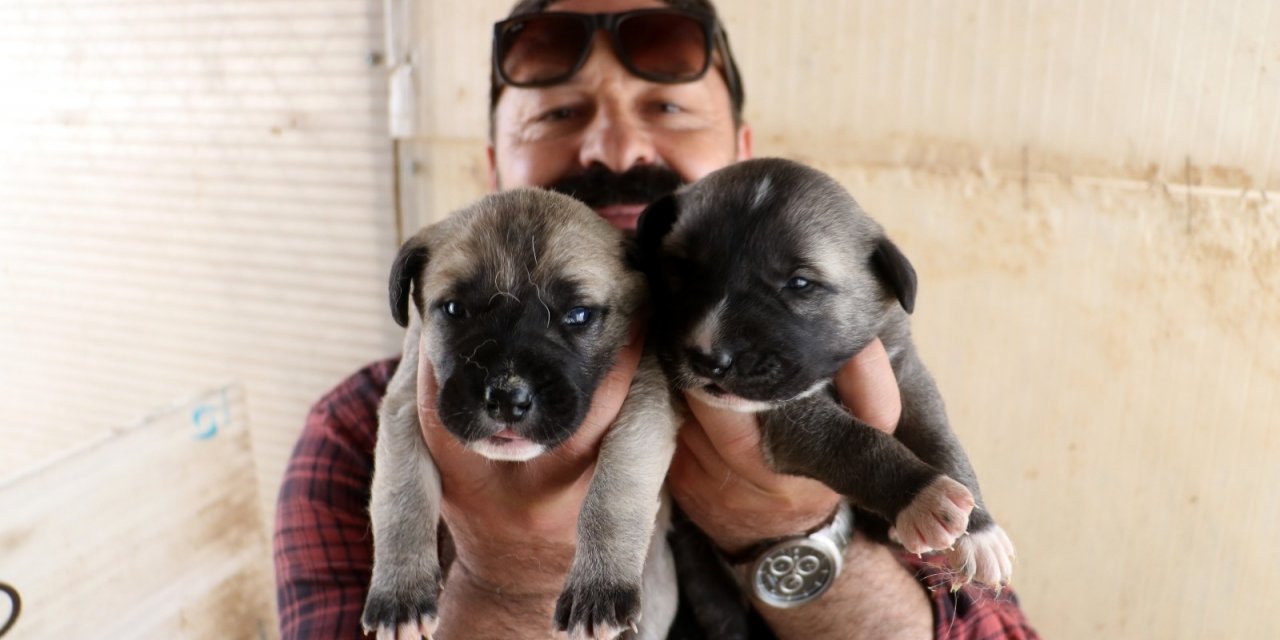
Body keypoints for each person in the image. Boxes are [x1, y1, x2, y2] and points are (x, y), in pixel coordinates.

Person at [274, 0, 1039, 638]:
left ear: (741, 154)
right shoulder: (353, 430)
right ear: (492, 166)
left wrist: (797, 539)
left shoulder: (842, 347)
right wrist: (508, 581)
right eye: (559, 113)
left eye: (668, 107)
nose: (617, 147)